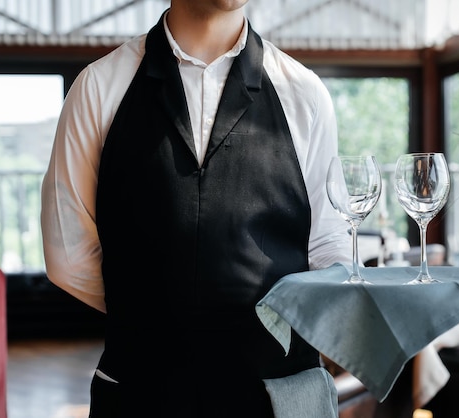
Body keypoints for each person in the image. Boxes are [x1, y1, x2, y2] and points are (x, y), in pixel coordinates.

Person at [40, 1, 352, 416]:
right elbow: (67, 253)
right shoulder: (97, 87)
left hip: (278, 395)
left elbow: (331, 246)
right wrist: (158, 311)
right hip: (142, 392)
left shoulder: (305, 92)